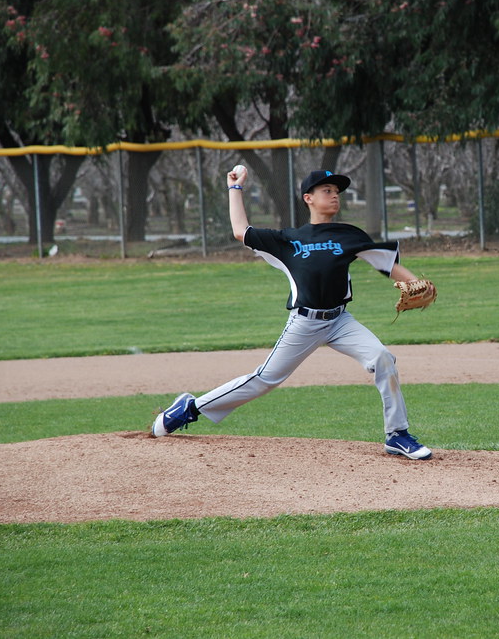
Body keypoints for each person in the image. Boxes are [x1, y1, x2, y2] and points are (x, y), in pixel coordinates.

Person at [151, 167, 434, 460]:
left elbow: (386, 264)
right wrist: (235, 189)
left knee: (382, 357)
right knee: (264, 379)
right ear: (308, 198)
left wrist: (417, 282)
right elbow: (241, 231)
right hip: (304, 323)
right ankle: (190, 408)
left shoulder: (349, 234)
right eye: (327, 191)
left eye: (337, 192)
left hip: (340, 321)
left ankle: (397, 434)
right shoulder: (288, 239)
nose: (334, 196)